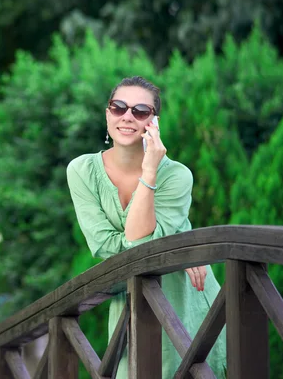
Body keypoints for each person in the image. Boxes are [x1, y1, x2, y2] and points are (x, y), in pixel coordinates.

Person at [66, 76, 226, 378]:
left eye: (140, 111)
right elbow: (105, 246)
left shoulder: (177, 176)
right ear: (107, 114)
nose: (127, 116)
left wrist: (150, 168)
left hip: (184, 299)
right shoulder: (82, 170)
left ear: (153, 122)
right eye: (119, 107)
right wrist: (178, 241)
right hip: (130, 299)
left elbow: (139, 247)